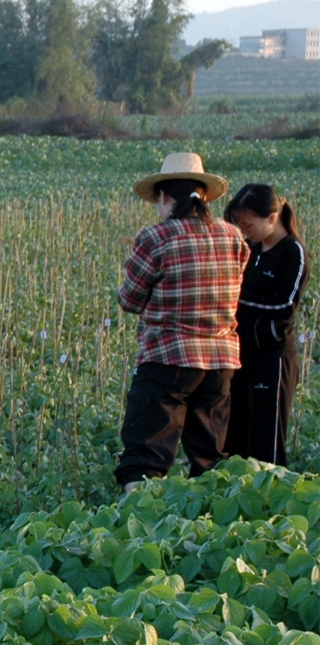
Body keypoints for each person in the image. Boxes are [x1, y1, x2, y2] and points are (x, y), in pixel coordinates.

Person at [114, 152, 249, 494]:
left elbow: (130, 300)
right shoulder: (233, 236)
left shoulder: (156, 237)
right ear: (204, 196)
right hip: (220, 361)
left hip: (167, 358)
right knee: (209, 459)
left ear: (163, 197)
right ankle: (213, 519)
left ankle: (140, 520)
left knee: (146, 457)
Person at [224, 184, 308, 466]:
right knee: (235, 431)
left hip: (272, 356)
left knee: (266, 436)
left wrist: (238, 300)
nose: (243, 230)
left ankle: (272, 488)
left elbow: (285, 306)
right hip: (240, 351)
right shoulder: (251, 249)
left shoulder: (293, 253)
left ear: (272, 218)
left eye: (248, 224)